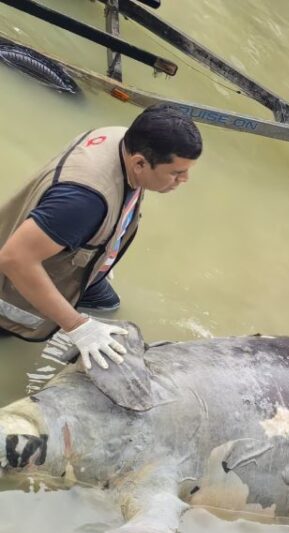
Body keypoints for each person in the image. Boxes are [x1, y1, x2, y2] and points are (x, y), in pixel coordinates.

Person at [0, 104, 202, 369]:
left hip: (74, 256)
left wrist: (105, 249)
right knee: (12, 336)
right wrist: (77, 326)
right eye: (176, 173)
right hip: (11, 286)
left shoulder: (122, 139)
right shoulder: (83, 202)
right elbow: (15, 259)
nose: (184, 179)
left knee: (108, 304)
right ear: (139, 163)